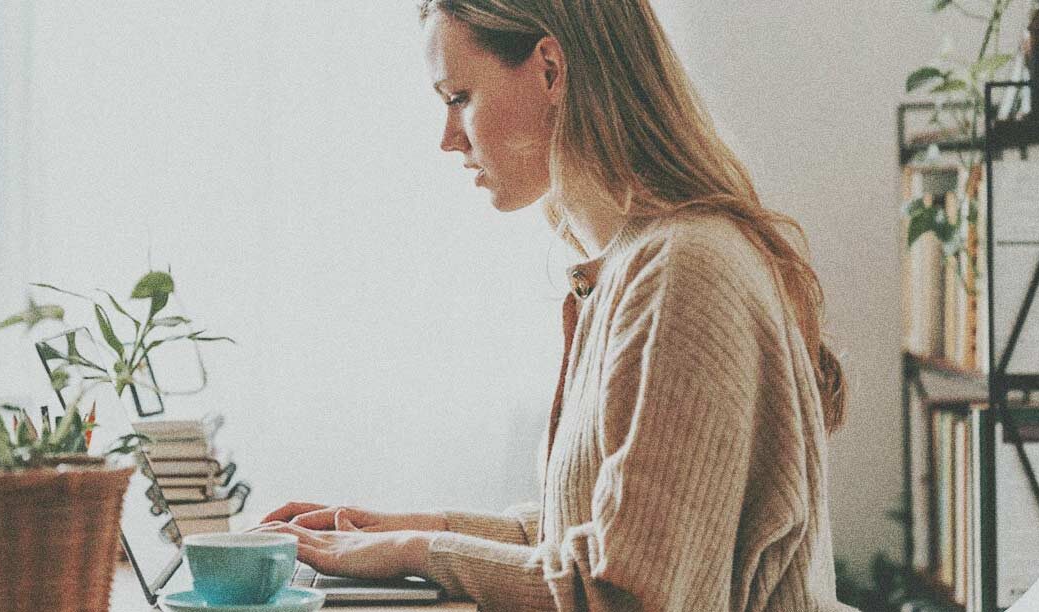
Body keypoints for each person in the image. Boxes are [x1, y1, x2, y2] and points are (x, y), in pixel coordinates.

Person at [254, 1, 854, 610]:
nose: (446, 137)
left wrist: (420, 551)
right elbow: (572, 539)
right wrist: (393, 531)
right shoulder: (631, 264)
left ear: (549, 70)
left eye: (458, 97)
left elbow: (621, 593)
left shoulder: (683, 268)